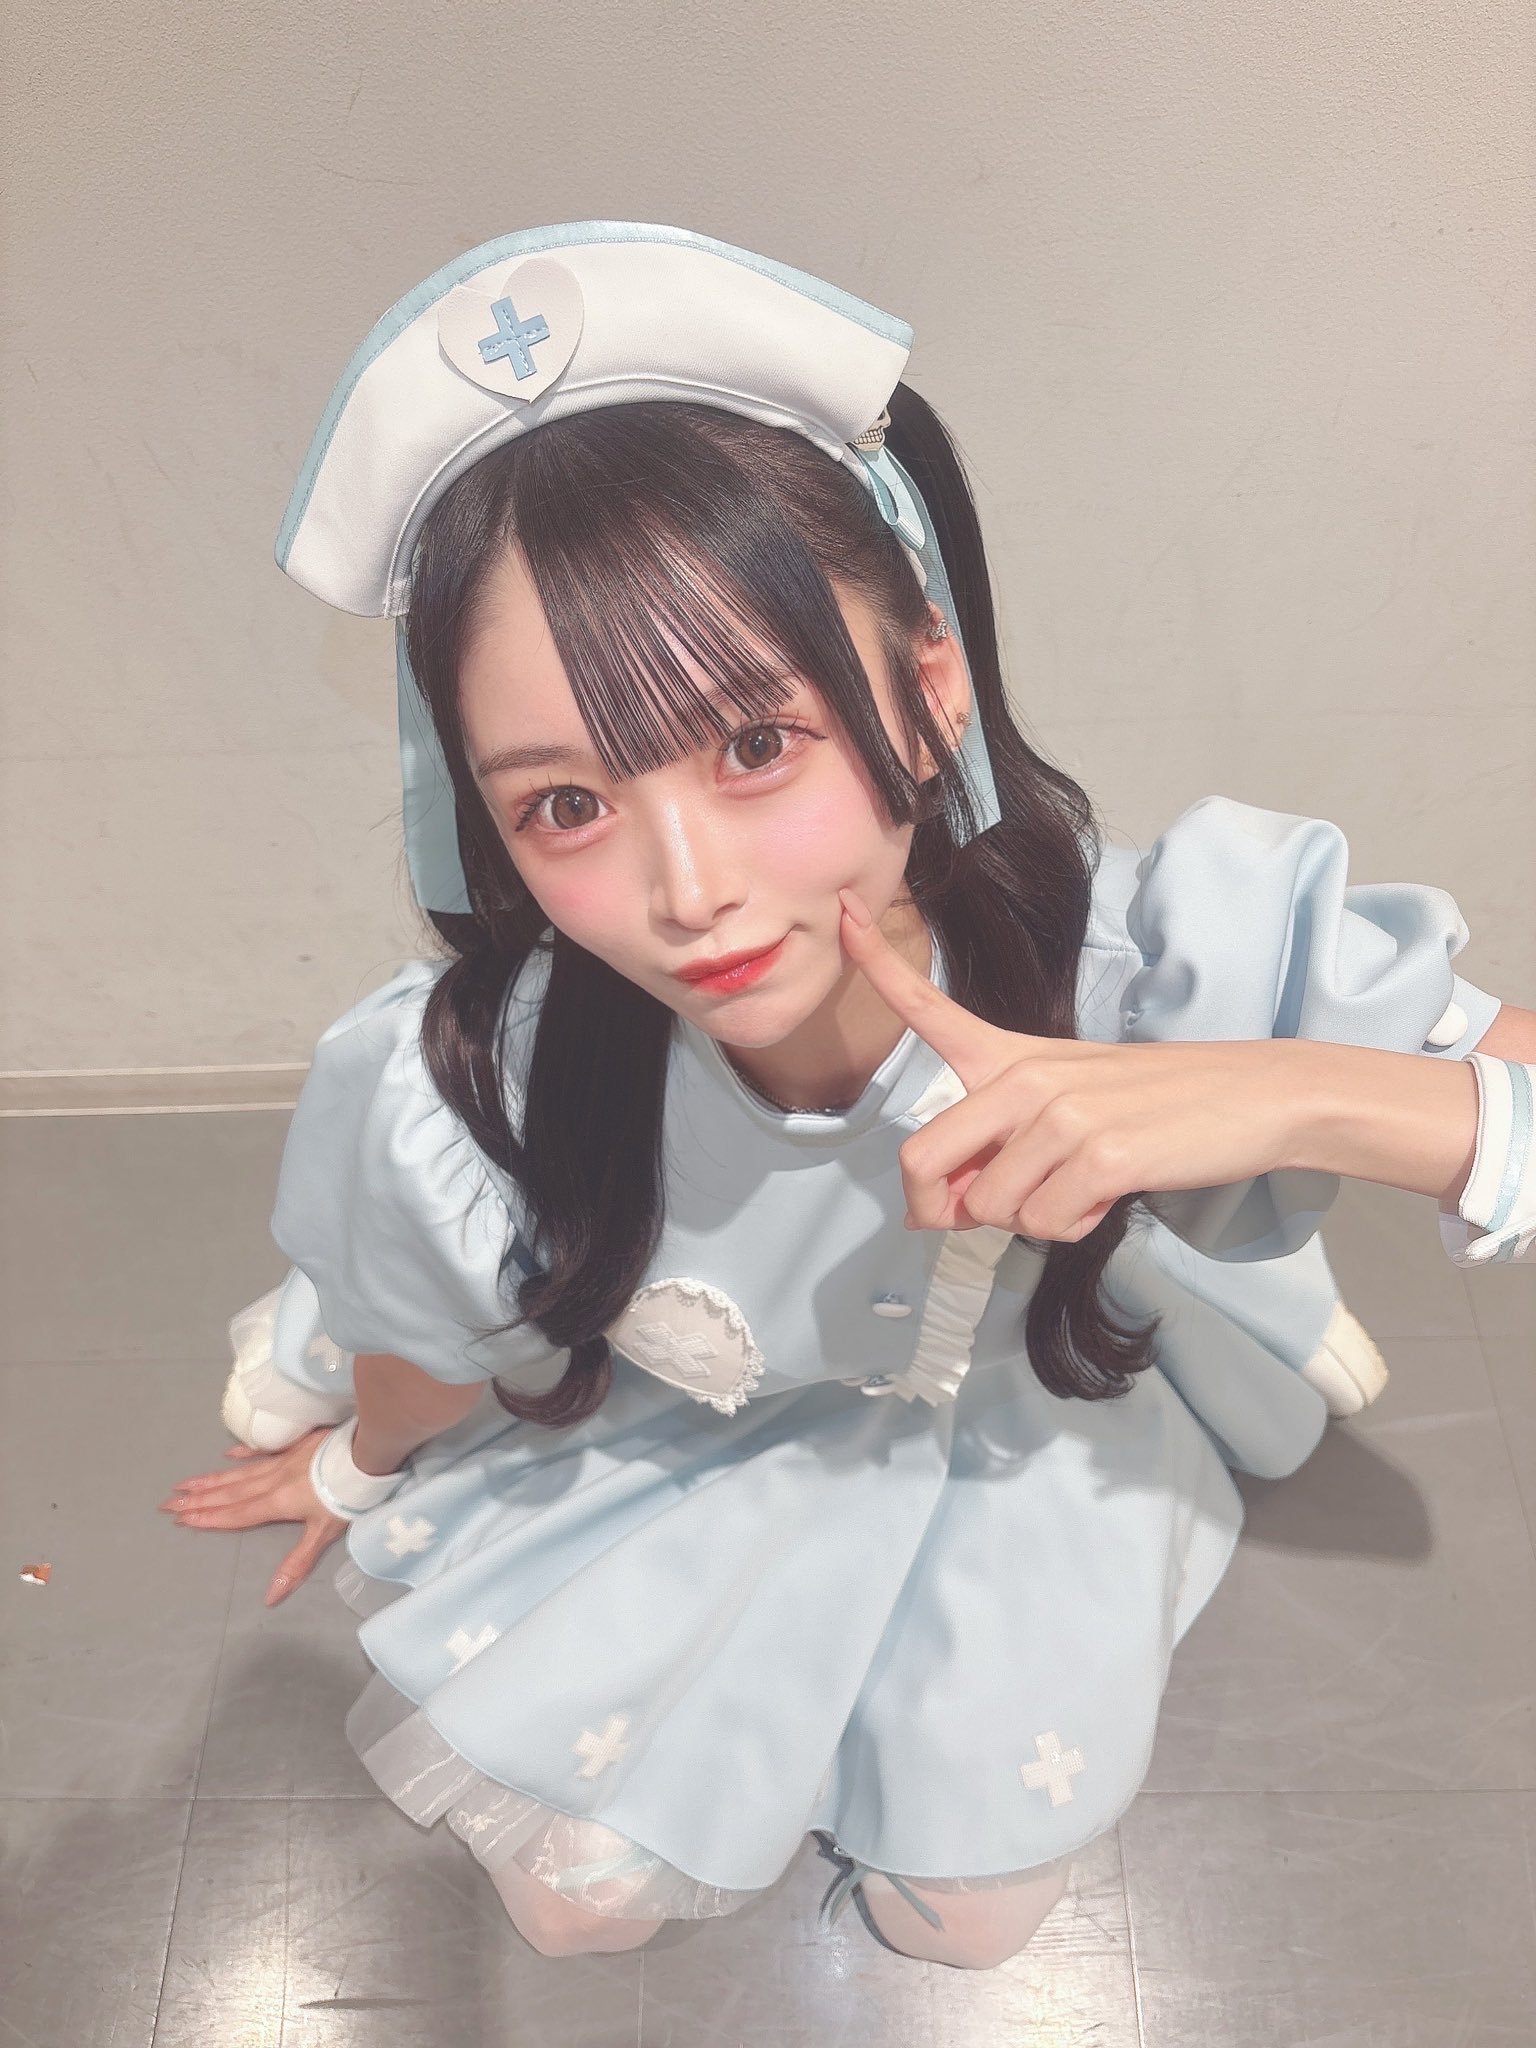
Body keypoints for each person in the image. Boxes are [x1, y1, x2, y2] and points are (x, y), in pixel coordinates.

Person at [159, 223, 1536, 1971]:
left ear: (927, 686)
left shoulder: (1160, 952)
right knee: (574, 1905)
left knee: (965, 1919)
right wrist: (355, 1467)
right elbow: (439, 1346)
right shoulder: (484, 1075)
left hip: (1022, 1435)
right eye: (567, 806)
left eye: (755, 745)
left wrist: (1274, 1098)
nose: (689, 894)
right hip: (687, 1441)